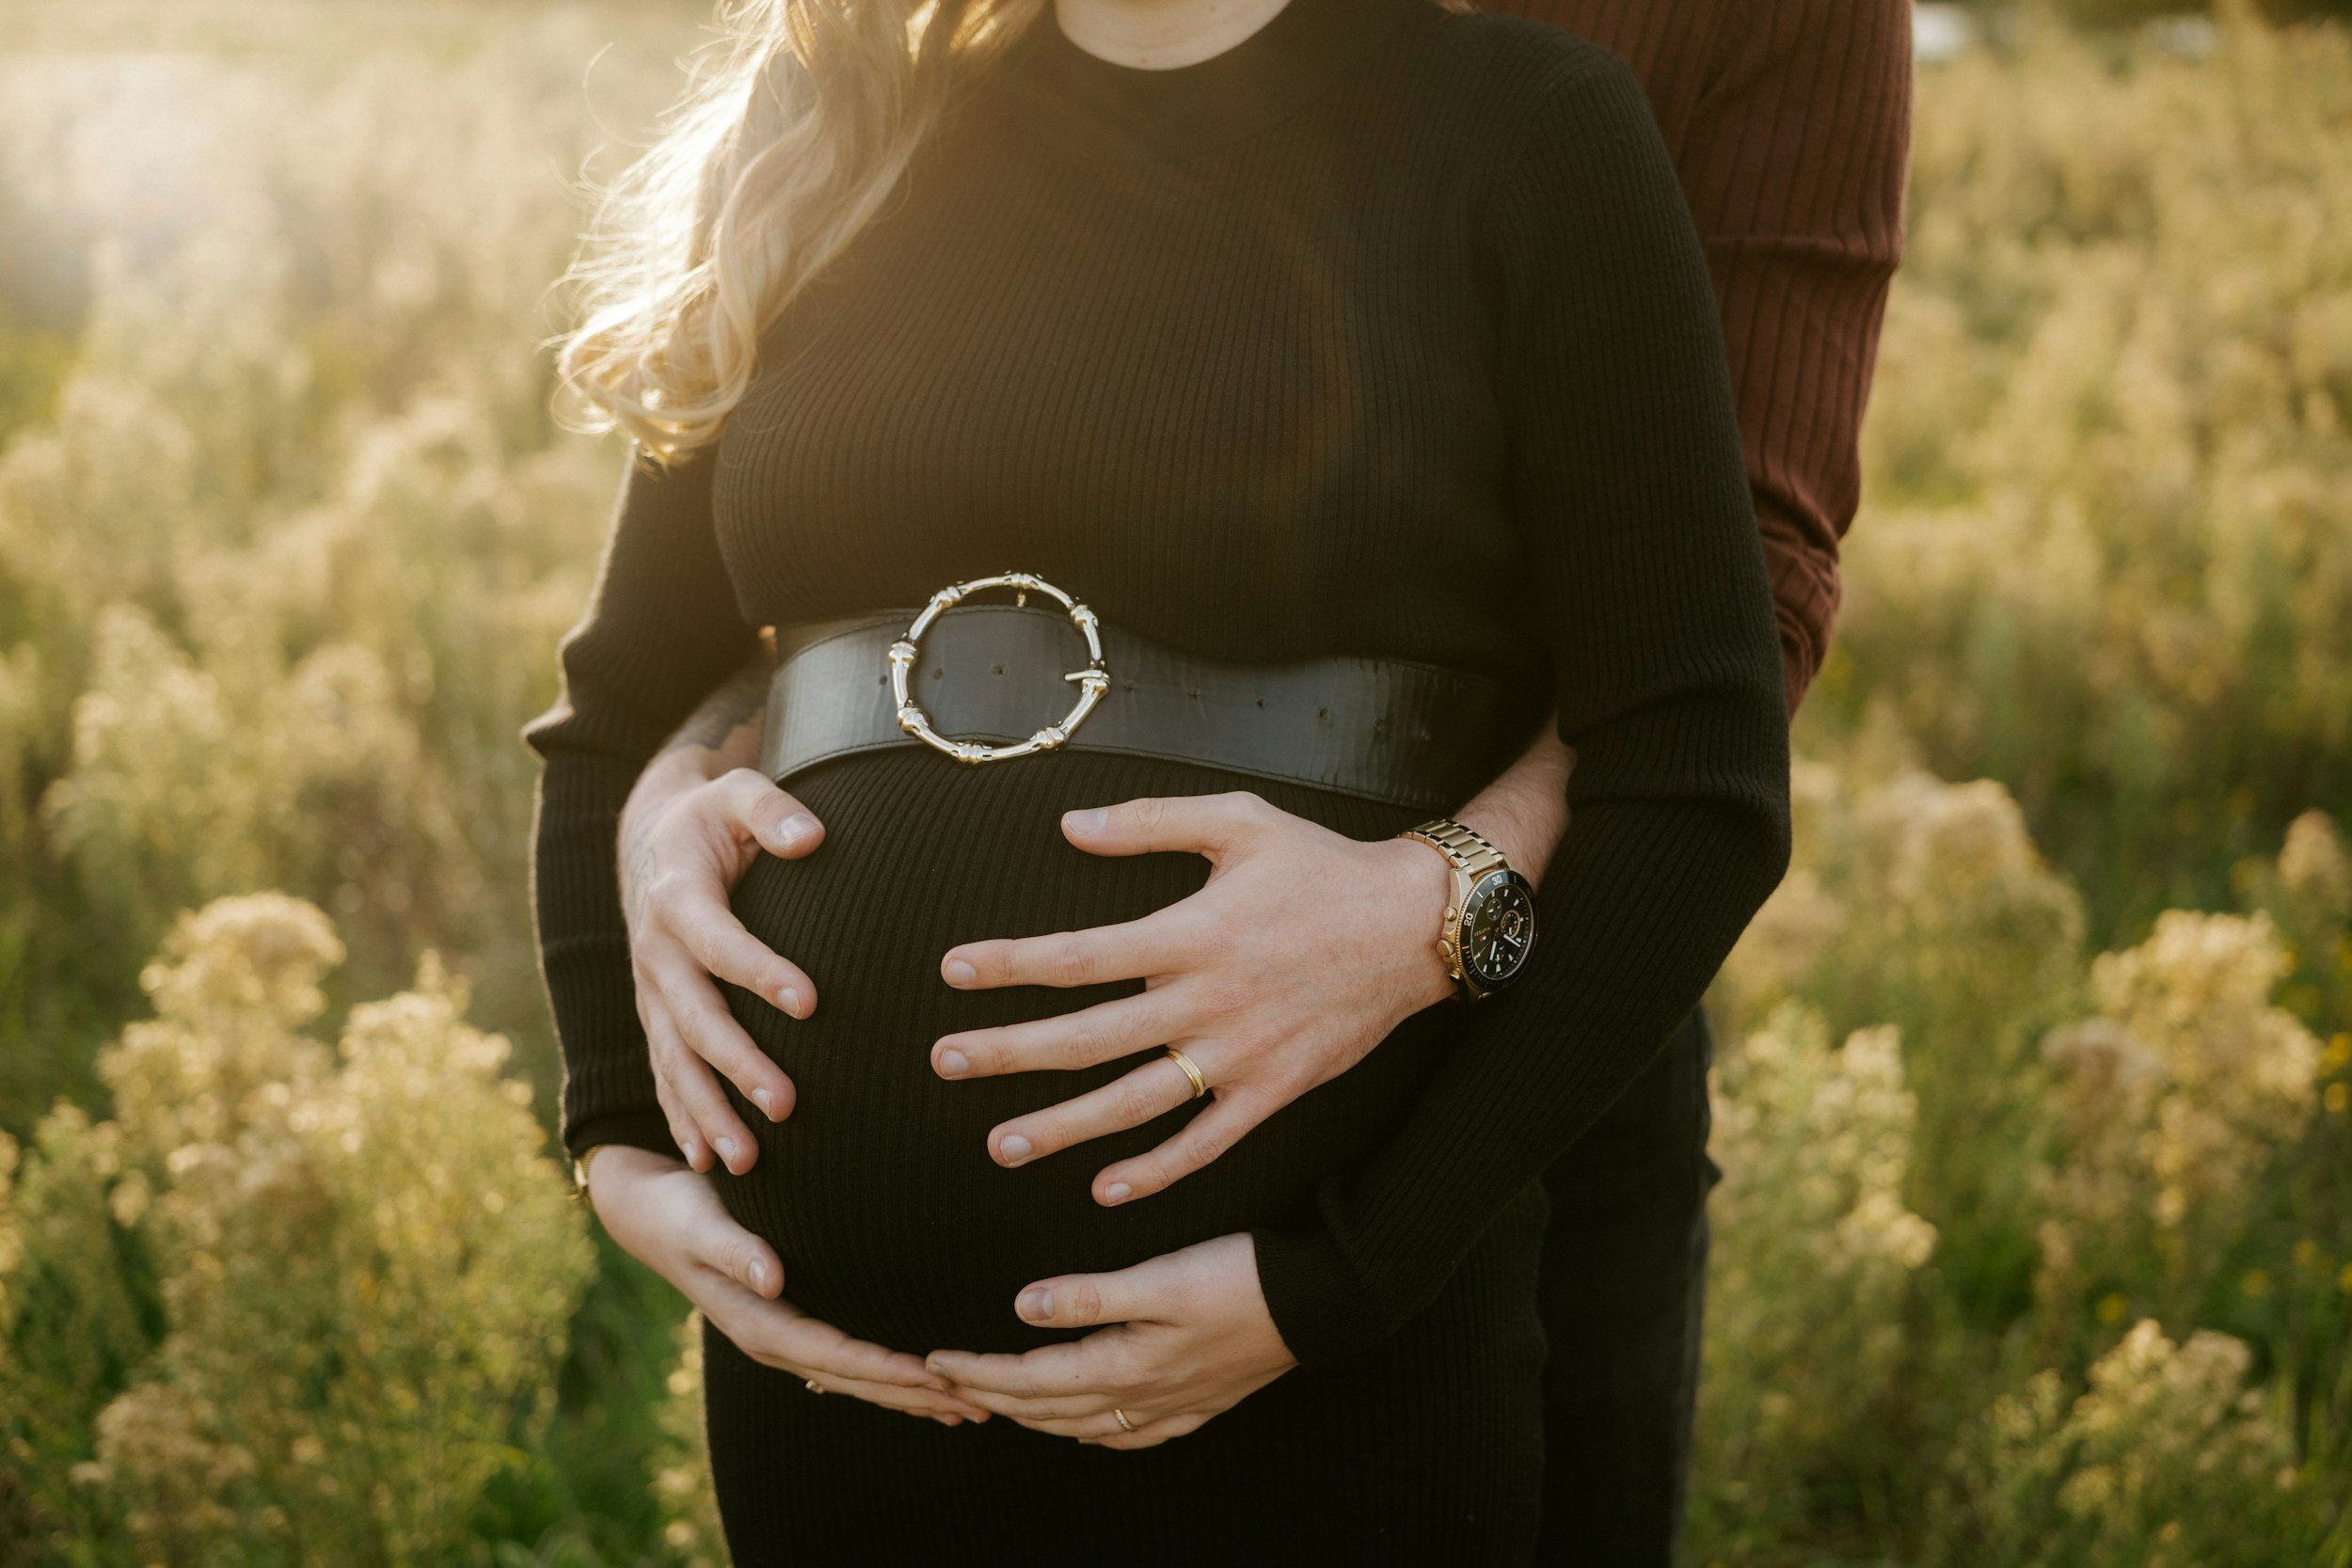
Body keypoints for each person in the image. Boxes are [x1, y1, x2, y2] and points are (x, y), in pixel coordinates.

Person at [577, 1, 1911, 1560]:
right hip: (832, 1398)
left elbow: (1709, 675)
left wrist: (1422, 964)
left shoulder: (1538, 121)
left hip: (1421, 1174)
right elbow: (651, 674)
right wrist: (622, 1118)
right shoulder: (857, 103)